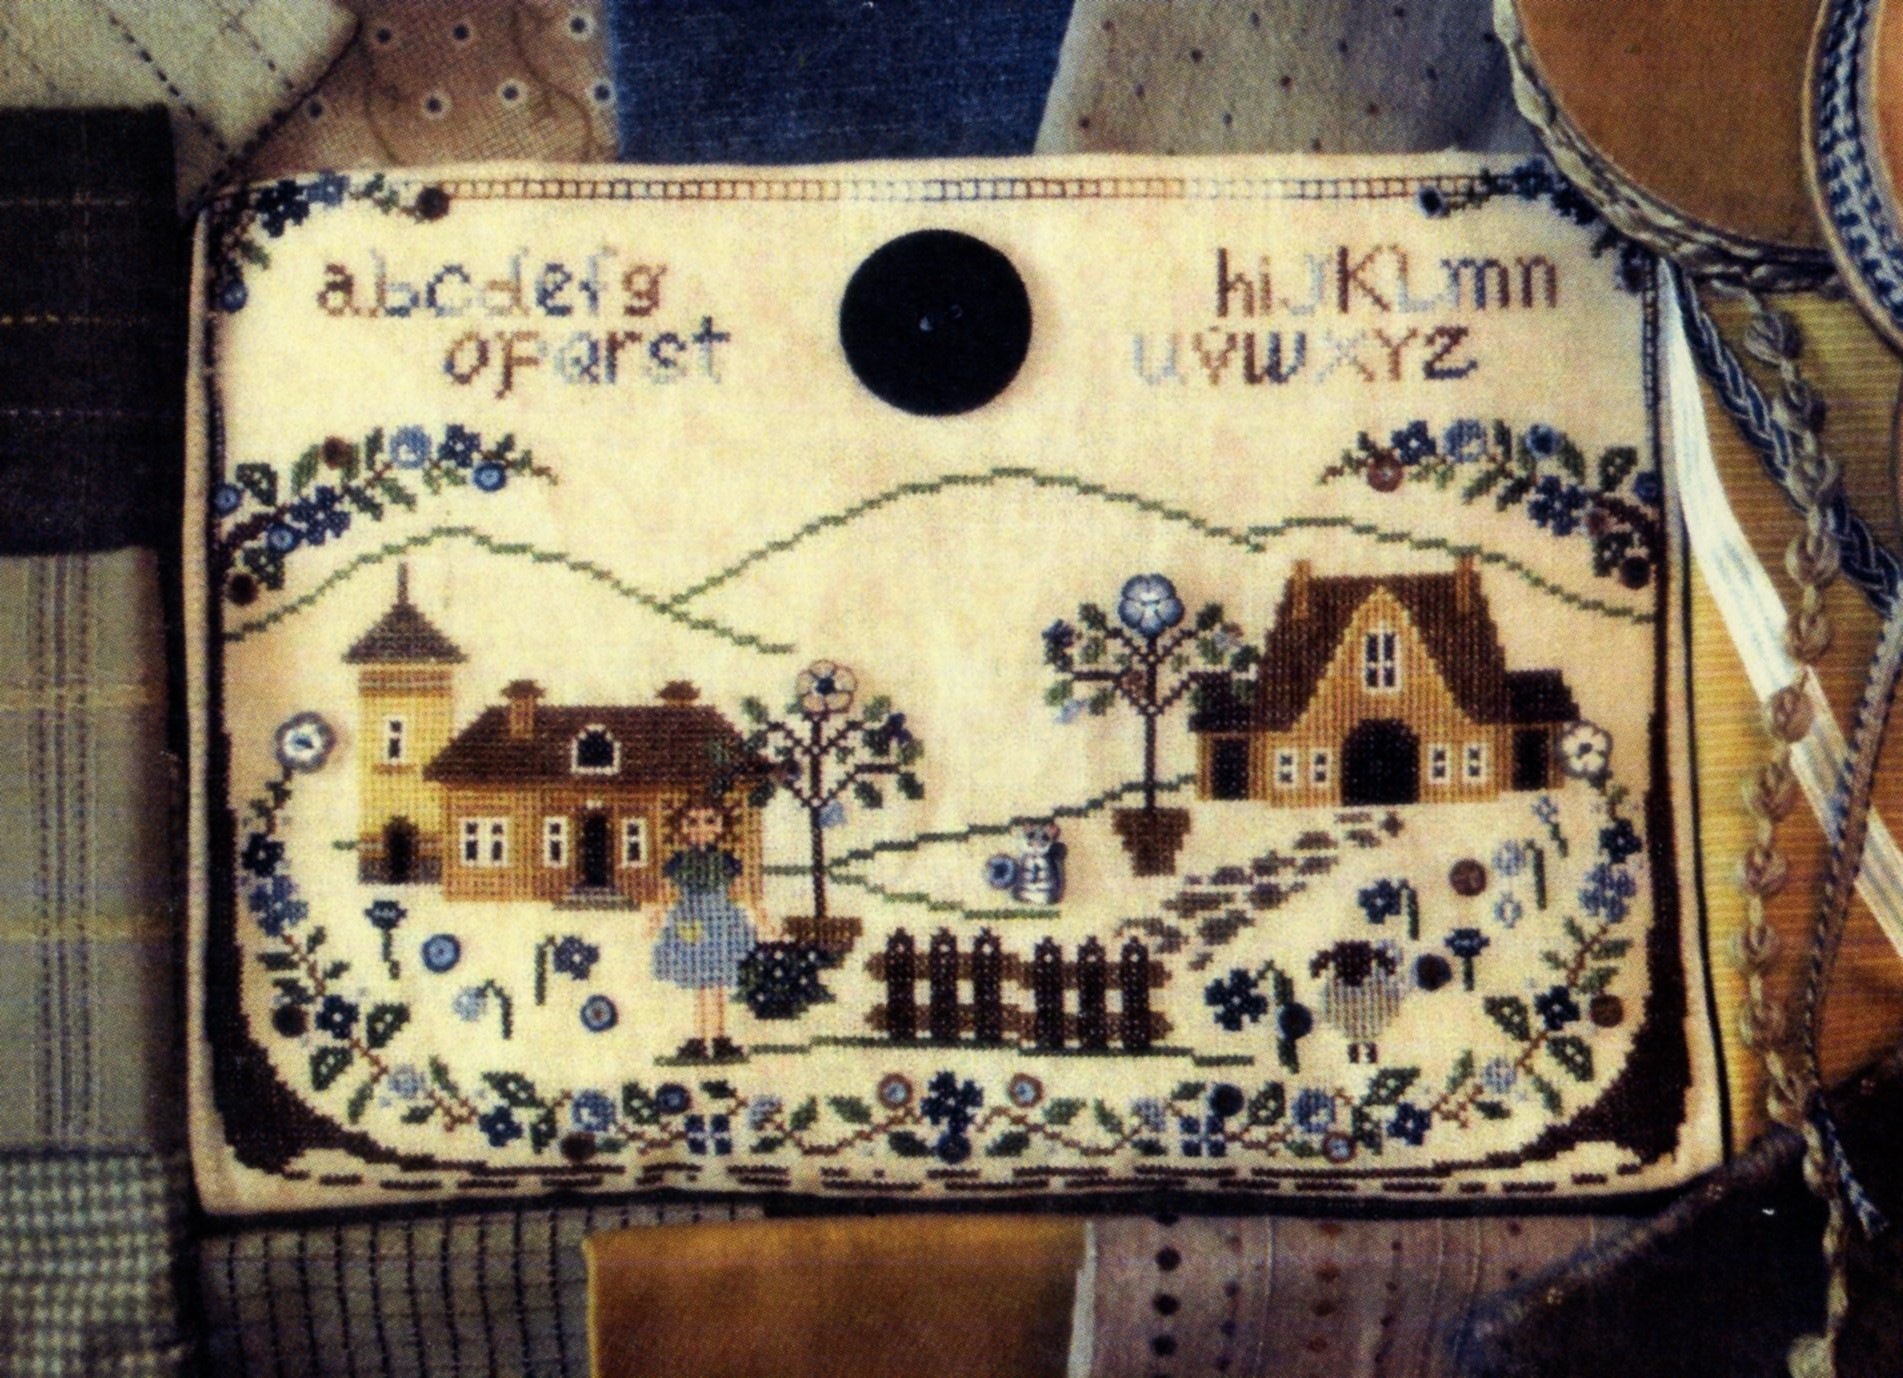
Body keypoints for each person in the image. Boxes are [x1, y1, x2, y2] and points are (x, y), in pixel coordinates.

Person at [649, 798, 757, 1060]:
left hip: (721, 923)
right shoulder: (679, 861)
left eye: (710, 821)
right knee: (700, 982)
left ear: (721, 826)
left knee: (717, 983)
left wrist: (761, 918)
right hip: (691, 921)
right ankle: (699, 1038)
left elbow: (745, 892)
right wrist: (656, 917)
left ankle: (719, 1038)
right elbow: (665, 894)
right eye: (693, 822)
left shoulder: (727, 861)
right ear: (683, 827)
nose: (701, 828)